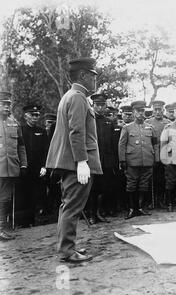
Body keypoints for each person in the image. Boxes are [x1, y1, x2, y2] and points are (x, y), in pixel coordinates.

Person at [45, 57, 102, 263]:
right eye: (93, 76)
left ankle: (67, 247)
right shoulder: (77, 97)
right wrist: (82, 161)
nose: (95, 80)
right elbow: (76, 131)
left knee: (67, 205)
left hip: (69, 161)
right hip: (75, 162)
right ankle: (67, 250)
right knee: (72, 207)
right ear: (83, 75)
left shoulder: (72, 96)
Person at [118, 100, 156, 220]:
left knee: (144, 184)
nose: (140, 113)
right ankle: (131, 209)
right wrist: (122, 160)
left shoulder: (150, 127)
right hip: (132, 161)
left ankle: (140, 208)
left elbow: (154, 144)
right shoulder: (127, 128)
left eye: (142, 111)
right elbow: (122, 145)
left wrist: (155, 158)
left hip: (147, 160)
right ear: (133, 112)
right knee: (131, 185)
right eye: (138, 111)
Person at [0, 91, 28, 240]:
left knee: (5, 198)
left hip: (11, 167)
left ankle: (1, 228)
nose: (6, 107)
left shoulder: (14, 123)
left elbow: (21, 146)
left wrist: (23, 164)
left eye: (8, 104)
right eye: (3, 104)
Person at [87, 93, 114, 224]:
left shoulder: (108, 122)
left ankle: (99, 212)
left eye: (102, 105)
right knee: (92, 188)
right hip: (92, 160)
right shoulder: (88, 120)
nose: (100, 108)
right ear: (93, 105)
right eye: (97, 105)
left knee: (104, 188)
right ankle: (91, 214)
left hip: (106, 160)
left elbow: (112, 143)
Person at [21, 104, 49, 226]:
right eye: (32, 115)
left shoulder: (42, 131)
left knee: (39, 194)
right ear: (26, 116)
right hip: (25, 168)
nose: (35, 117)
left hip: (39, 169)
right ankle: (26, 221)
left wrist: (44, 166)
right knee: (25, 194)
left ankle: (40, 219)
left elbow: (46, 150)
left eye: (37, 115)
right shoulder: (20, 130)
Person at [146, 100, 170, 209]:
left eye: (159, 109)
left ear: (163, 110)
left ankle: (161, 200)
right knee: (152, 179)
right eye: (155, 109)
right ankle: (151, 201)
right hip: (152, 154)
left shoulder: (168, 122)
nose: (157, 112)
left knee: (163, 179)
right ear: (153, 110)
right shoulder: (148, 122)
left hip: (165, 155)